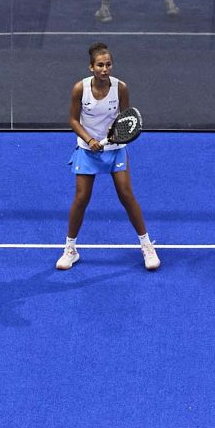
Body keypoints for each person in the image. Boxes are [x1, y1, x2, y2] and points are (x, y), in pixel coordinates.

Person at [61, 42, 159, 270]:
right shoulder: (80, 89)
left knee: (126, 195)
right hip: (88, 150)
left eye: (108, 65)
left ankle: (146, 245)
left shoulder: (120, 88)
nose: (105, 69)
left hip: (115, 150)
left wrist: (115, 137)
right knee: (81, 198)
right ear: (91, 67)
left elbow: (126, 119)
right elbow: (73, 120)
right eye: (100, 65)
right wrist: (90, 140)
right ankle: (70, 249)